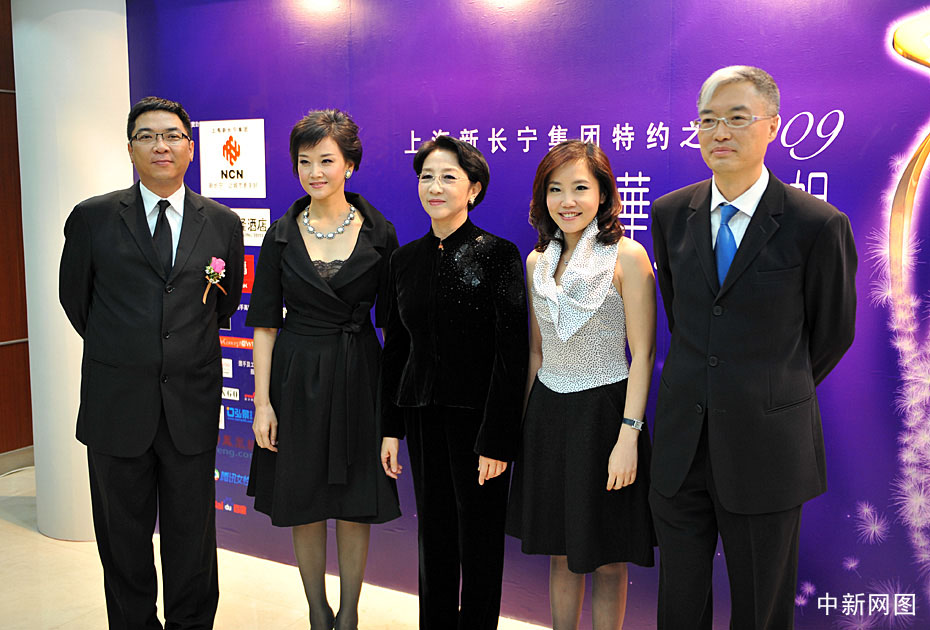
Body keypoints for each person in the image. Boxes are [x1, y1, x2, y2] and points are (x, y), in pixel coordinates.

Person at [650, 66, 857, 629]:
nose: (720, 132)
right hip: (683, 444)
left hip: (767, 446)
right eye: (708, 120)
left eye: (737, 118)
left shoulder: (816, 223)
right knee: (679, 604)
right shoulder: (670, 215)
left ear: (772, 126)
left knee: (762, 607)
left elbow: (833, 332)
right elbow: (683, 315)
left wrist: (767, 389)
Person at [59, 96, 244, 629]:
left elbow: (224, 304)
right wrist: (130, 351)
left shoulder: (223, 223)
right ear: (130, 148)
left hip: (190, 405)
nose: (160, 145)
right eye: (147, 136)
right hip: (116, 406)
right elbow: (77, 301)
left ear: (191, 147)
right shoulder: (93, 217)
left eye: (172, 135)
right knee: (122, 542)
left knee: (192, 541)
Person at [246, 109, 400, 630]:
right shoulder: (280, 234)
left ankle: (351, 612)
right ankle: (317, 610)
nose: (315, 172)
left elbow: (395, 328)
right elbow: (264, 325)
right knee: (304, 499)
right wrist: (262, 403)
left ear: (350, 165)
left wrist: (392, 417)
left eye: (326, 160)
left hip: (360, 374)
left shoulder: (380, 232)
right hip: (296, 377)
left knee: (356, 501)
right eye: (304, 161)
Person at [379, 135, 528, 630]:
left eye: (448, 177)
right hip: (422, 416)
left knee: (480, 542)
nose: (435, 187)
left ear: (473, 189)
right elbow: (396, 349)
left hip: (479, 423)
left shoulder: (498, 254)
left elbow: (511, 353)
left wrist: (497, 439)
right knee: (435, 537)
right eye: (426, 177)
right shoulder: (404, 261)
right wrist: (390, 428)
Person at [506, 140, 656, 630]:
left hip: (607, 415)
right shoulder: (536, 262)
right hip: (548, 414)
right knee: (561, 553)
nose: (567, 201)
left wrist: (629, 435)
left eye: (580, 188)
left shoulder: (628, 257)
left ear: (603, 193)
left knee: (608, 557)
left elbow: (643, 354)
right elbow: (536, 351)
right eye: (555, 189)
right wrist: (523, 427)